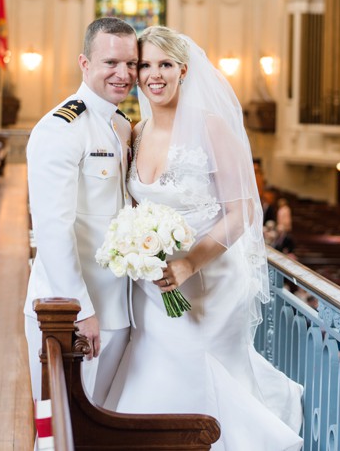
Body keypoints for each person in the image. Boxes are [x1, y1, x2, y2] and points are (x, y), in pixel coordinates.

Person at [105, 26, 303, 451]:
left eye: (165, 65)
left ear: (183, 70)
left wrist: (190, 261)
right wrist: (137, 249)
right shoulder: (135, 134)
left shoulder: (211, 128)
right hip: (154, 285)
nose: (154, 75)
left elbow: (243, 211)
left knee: (200, 371)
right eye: (145, 65)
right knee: (155, 370)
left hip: (210, 282)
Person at [24, 17, 138, 406]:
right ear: (84, 63)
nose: (123, 74)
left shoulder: (120, 124)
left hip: (118, 308)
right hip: (71, 313)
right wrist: (80, 311)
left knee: (99, 425)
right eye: (111, 63)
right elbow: (53, 230)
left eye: (131, 64)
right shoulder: (60, 128)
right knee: (60, 426)